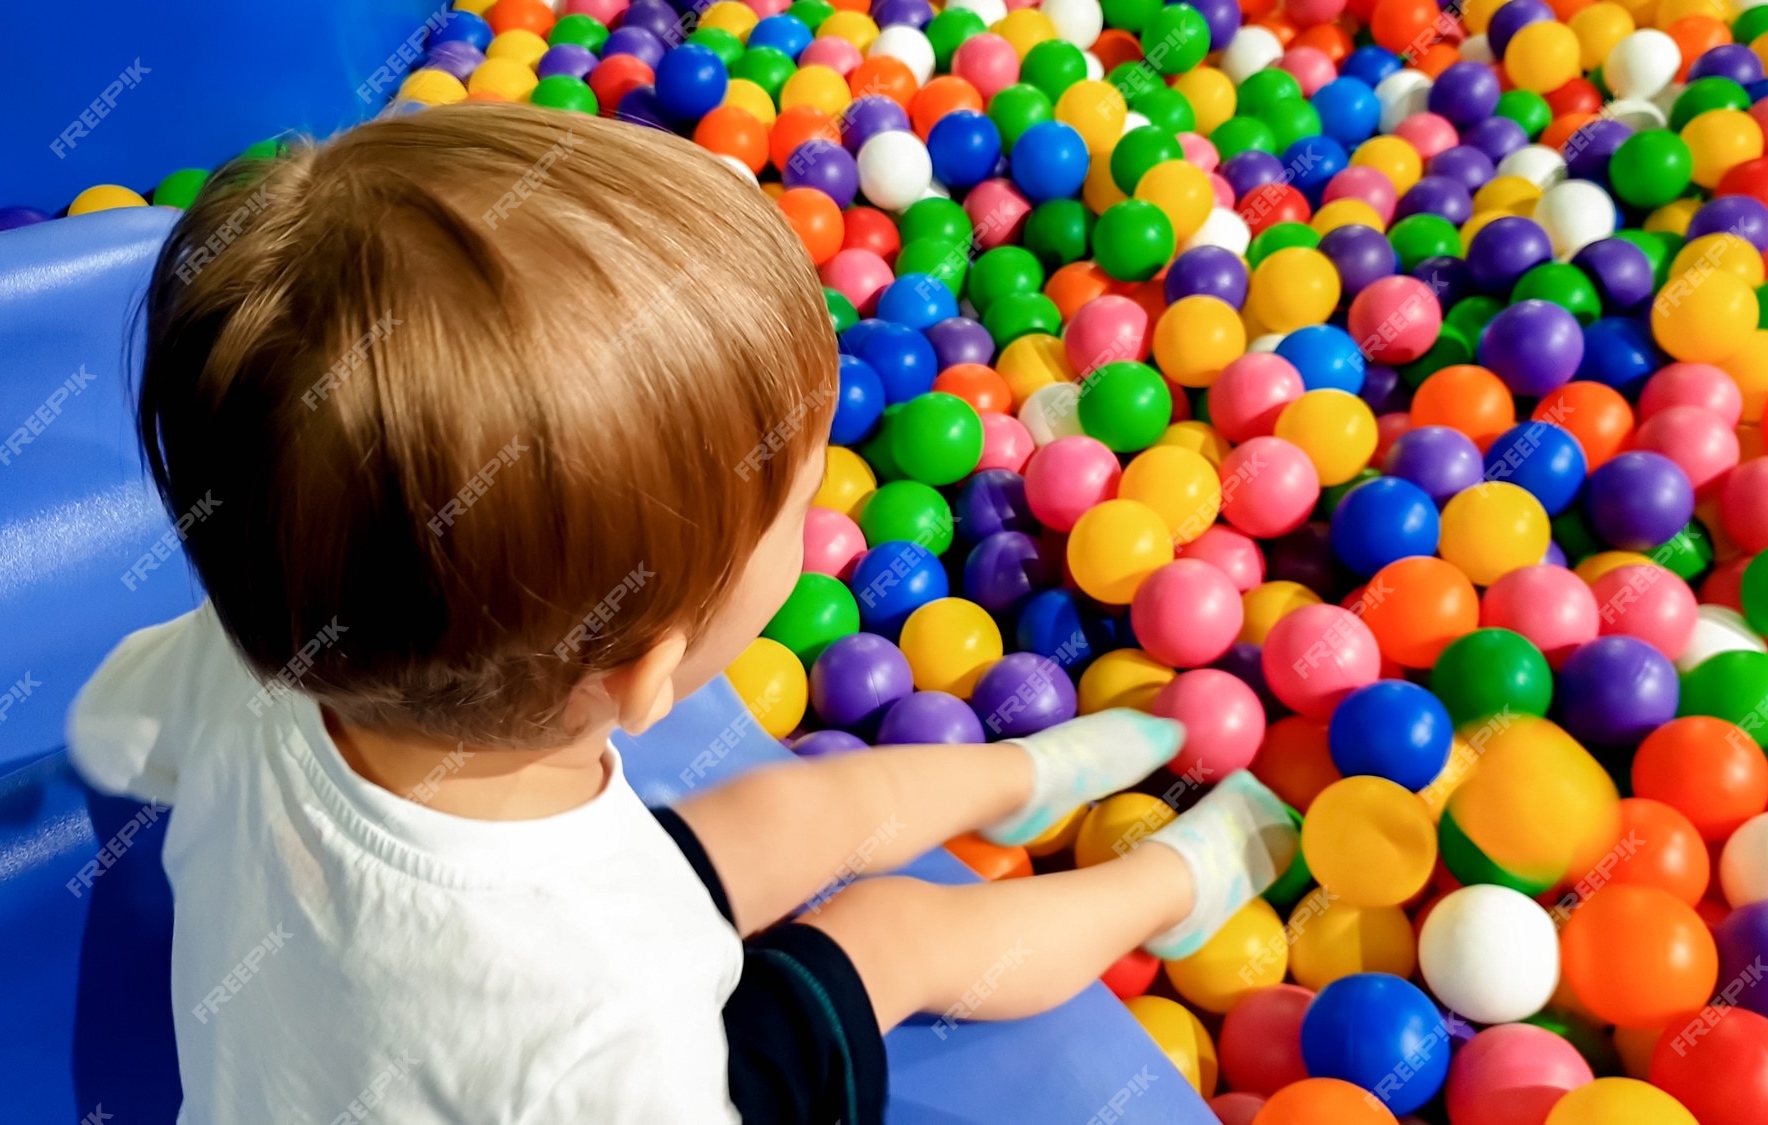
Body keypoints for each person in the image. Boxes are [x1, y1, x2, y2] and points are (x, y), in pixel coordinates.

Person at [69, 103, 1295, 1125]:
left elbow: (112, 735)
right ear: (648, 675)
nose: (815, 519)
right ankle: (1185, 880)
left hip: (497, 970)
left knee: (807, 806)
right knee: (895, 933)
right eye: (794, 500)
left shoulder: (263, 655)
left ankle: (1025, 775)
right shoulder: (615, 1014)